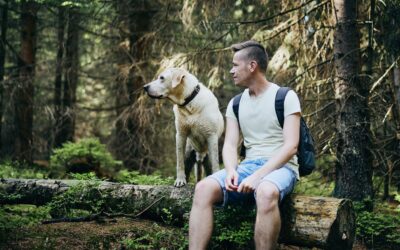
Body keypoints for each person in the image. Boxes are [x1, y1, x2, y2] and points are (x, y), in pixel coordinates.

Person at [188, 40, 301, 250]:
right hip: (249, 166)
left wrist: (258, 177)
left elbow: (291, 146)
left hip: (282, 167)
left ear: (252, 66)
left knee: (266, 192)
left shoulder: (285, 97)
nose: (231, 71)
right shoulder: (236, 103)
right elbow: (230, 145)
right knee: (203, 188)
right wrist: (231, 170)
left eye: (235, 65)